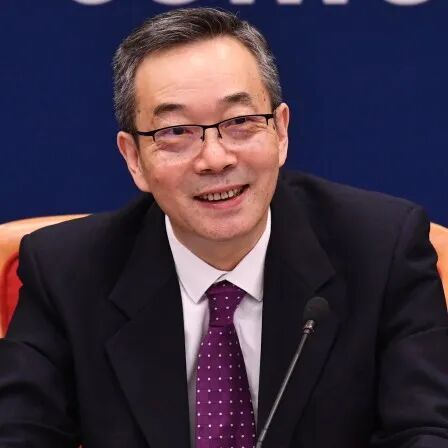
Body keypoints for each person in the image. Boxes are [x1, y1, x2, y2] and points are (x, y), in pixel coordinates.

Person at [0, 7, 447, 448]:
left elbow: (426, 431)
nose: (215, 159)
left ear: (281, 132)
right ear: (133, 158)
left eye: (239, 122)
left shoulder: (380, 250)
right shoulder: (67, 274)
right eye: (176, 131)